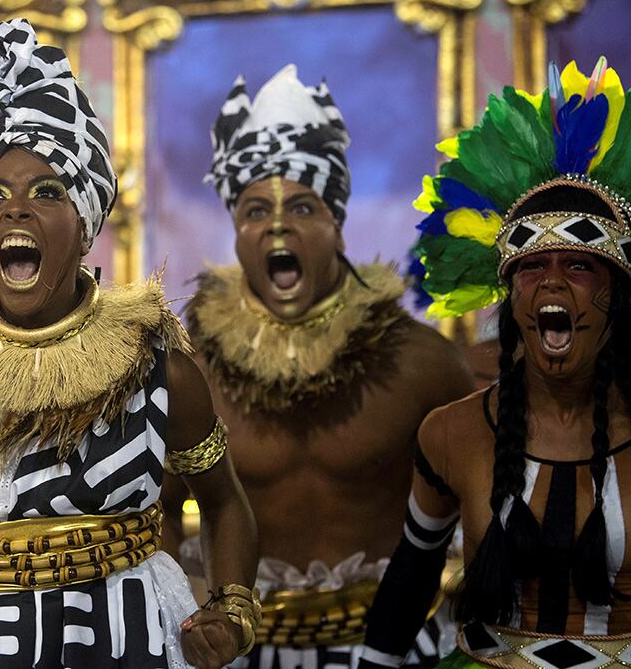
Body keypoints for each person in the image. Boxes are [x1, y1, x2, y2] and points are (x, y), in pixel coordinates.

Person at [0, 19, 259, 669]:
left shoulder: (158, 369)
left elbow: (222, 501)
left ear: (85, 222)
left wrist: (234, 608)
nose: (16, 210)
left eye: (46, 193)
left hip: (134, 636)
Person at [183, 65, 474, 668]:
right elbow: (151, 514)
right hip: (241, 652)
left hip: (396, 645)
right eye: (256, 210)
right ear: (237, 235)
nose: (279, 225)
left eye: (304, 208)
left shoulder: (418, 361)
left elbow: (488, 498)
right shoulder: (192, 369)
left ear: (338, 228)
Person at [361, 59, 631, 668]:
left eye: (581, 265)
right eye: (532, 266)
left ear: (619, 295)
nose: (552, 282)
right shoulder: (452, 432)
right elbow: (411, 578)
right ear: (510, 299)